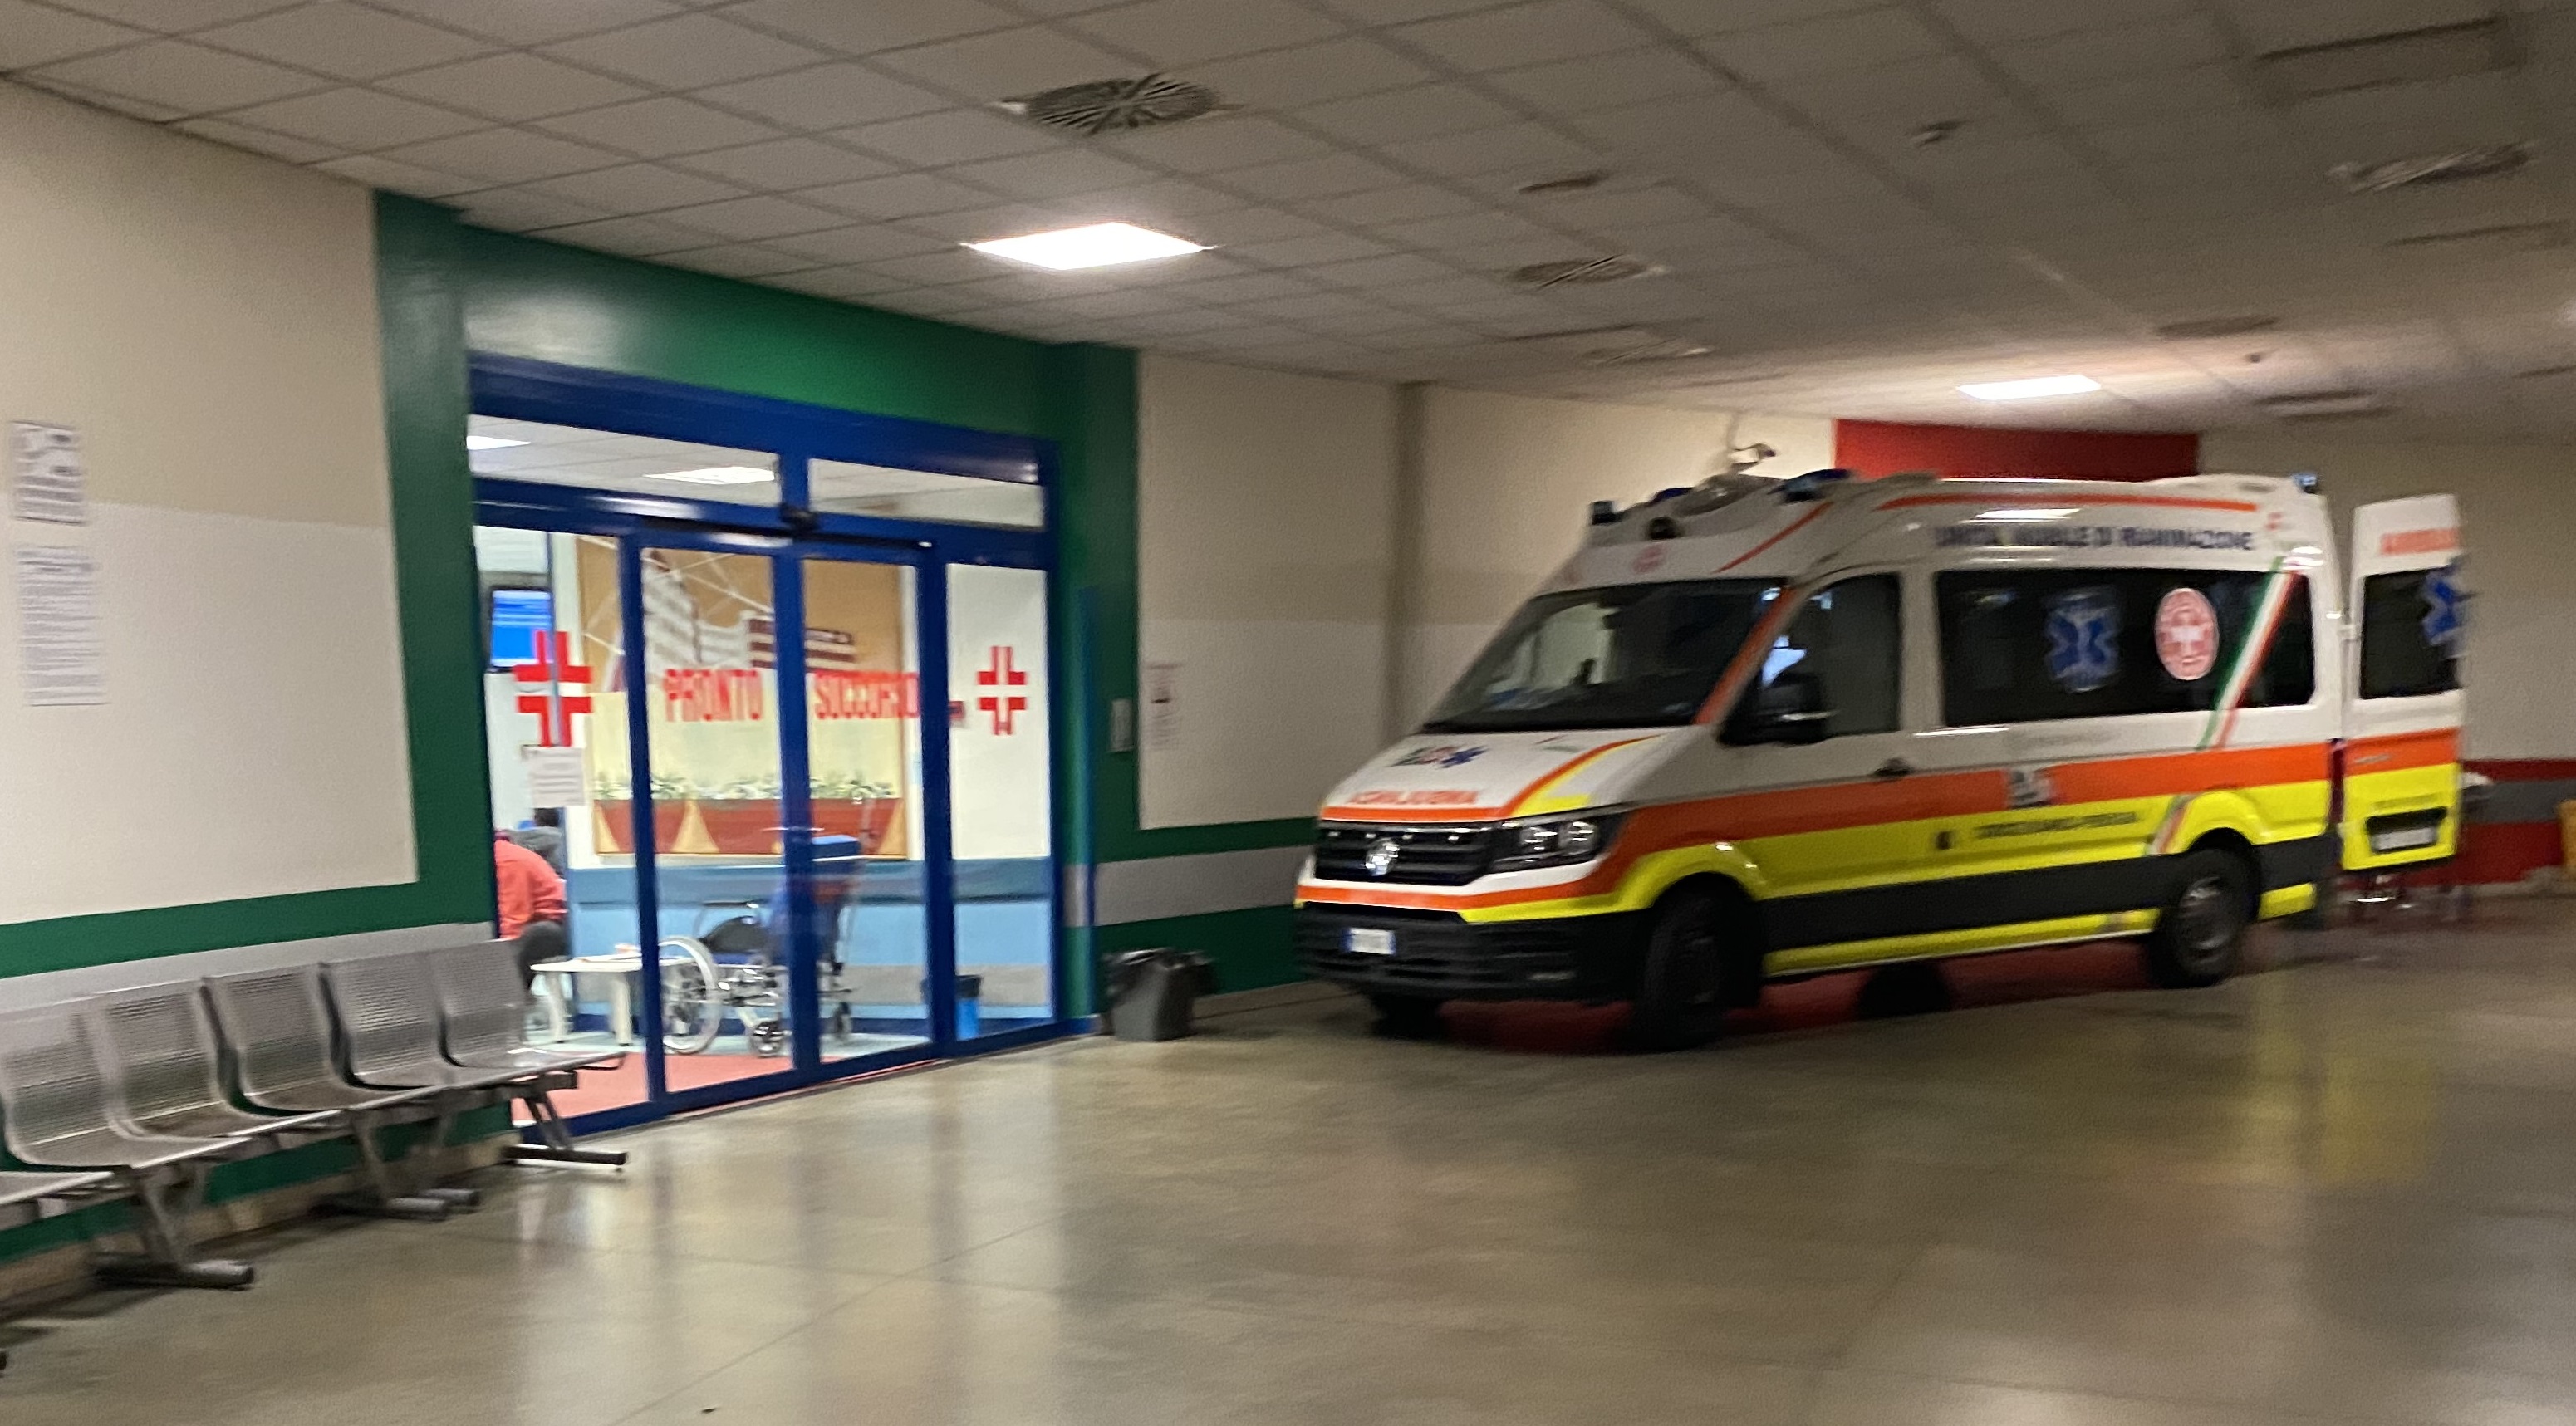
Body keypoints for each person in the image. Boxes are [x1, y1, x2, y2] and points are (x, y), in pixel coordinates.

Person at [494, 831, 567, 984]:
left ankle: (505, 992)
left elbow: (513, 920)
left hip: (551, 927)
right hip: (531, 924)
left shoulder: (506, 859)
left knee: (536, 935)